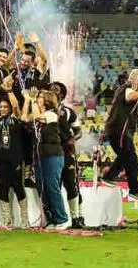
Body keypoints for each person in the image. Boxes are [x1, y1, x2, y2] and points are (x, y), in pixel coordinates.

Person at [101, 68, 138, 201]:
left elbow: (129, 100)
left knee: (124, 156)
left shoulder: (122, 88)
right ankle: (135, 190)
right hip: (120, 129)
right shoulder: (130, 87)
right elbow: (129, 96)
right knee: (131, 157)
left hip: (115, 129)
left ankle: (108, 177)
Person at [0, 77, 29, 229]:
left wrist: (9, 91)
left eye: (5, 107)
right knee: (3, 189)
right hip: (0, 160)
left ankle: (25, 220)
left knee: (19, 189)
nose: (2, 109)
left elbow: (16, 107)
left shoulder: (15, 119)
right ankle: (7, 220)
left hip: (15, 159)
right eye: (1, 107)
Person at [22, 89, 69, 229]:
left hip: (53, 154)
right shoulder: (39, 113)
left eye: (40, 97)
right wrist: (26, 100)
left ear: (47, 100)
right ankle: (51, 218)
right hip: (40, 155)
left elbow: (37, 116)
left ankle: (62, 218)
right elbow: (24, 118)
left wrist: (33, 100)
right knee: (42, 187)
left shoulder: (52, 114)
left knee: (52, 186)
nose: (38, 98)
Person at [49, 81, 84, 227]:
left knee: (71, 183)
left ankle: (77, 217)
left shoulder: (68, 112)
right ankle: (55, 217)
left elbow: (79, 131)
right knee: (53, 186)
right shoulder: (42, 110)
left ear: (61, 94)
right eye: (50, 89)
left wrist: (72, 140)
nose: (52, 91)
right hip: (50, 153)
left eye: (55, 90)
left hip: (65, 151)